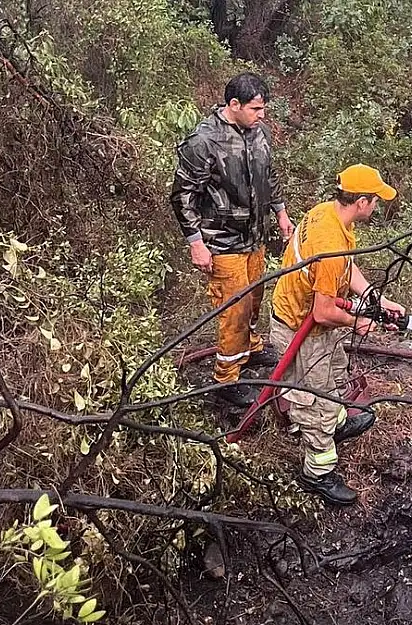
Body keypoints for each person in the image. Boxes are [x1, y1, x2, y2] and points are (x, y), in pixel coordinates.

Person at [270, 164, 406, 505]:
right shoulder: (330, 237)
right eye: (374, 200)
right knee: (311, 396)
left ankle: (336, 423)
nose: (375, 206)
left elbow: (345, 265)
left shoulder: (327, 214)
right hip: (300, 326)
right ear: (361, 202)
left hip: (315, 324)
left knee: (333, 372)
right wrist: (358, 322)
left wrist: (375, 299)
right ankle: (317, 472)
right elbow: (323, 312)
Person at [170, 72, 294, 413]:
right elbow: (182, 196)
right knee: (234, 310)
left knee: (254, 299)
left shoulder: (258, 132)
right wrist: (196, 242)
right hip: (221, 241)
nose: (262, 115)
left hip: (254, 236)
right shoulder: (204, 141)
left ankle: (250, 348)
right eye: (256, 108)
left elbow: (269, 175)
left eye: (263, 108)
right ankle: (226, 379)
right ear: (233, 105)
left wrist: (281, 213)